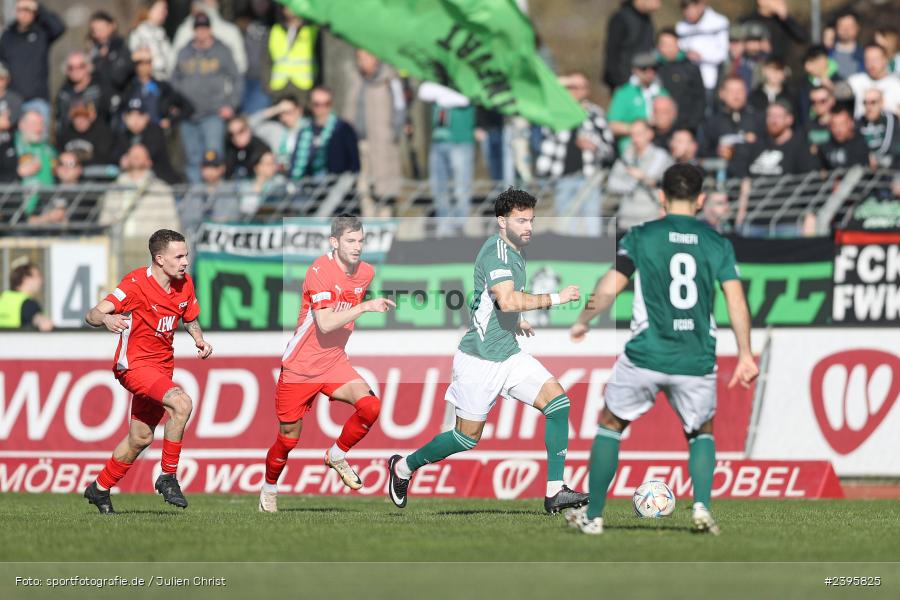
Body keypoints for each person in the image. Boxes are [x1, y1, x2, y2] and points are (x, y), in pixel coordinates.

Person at [566, 163, 758, 535]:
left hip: (646, 354)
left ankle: (595, 517)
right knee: (701, 431)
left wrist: (583, 320)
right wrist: (746, 353)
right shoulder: (717, 242)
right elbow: (735, 299)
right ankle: (701, 508)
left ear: (661, 197)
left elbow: (611, 285)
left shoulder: (641, 235)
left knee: (611, 424)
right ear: (701, 199)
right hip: (695, 357)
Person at [387, 189, 590, 514]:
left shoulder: (515, 251)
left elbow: (499, 301)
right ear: (501, 221)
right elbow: (506, 299)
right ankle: (403, 468)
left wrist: (517, 320)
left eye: (531, 220)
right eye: (520, 220)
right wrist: (556, 298)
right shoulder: (496, 252)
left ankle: (555, 491)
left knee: (558, 403)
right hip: (479, 360)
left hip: (508, 354)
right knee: (466, 438)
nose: (528, 226)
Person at [259, 215, 392, 512]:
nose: (357, 247)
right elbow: (325, 322)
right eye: (350, 241)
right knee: (288, 440)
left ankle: (336, 454)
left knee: (371, 406)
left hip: (333, 363)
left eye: (360, 241)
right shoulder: (319, 270)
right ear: (334, 242)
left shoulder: (366, 272)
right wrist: (365, 306)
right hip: (300, 367)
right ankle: (269, 488)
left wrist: (362, 305)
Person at [82, 229, 213, 514]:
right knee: (182, 403)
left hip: (162, 368)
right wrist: (105, 318)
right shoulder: (135, 284)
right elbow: (91, 314)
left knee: (140, 438)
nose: (185, 262)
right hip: (135, 366)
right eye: (179, 256)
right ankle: (167, 476)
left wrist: (198, 338)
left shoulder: (184, 284)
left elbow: (189, 317)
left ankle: (99, 488)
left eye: (186, 255)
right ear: (159, 258)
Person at [535, 72, 615, 236]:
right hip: (564, 177)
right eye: (572, 87)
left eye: (582, 87)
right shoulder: (554, 113)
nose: (577, 91)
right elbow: (542, 91)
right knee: (565, 226)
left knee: (592, 226)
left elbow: (609, 148)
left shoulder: (595, 114)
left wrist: (594, 146)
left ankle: (593, 259)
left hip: (589, 177)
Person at [172, 12, 243, 183]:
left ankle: (216, 200)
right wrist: (175, 104)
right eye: (198, 28)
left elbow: (237, 78)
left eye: (204, 28)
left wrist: (231, 105)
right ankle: (197, 201)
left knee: (213, 158)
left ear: (210, 29)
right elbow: (174, 79)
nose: (201, 32)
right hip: (187, 115)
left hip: (213, 114)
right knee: (192, 159)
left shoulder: (222, 50)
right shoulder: (185, 51)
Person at [730, 101, 818, 227]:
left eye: (778, 116)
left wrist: (809, 218)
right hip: (754, 222)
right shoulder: (757, 146)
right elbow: (745, 181)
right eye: (770, 116)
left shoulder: (800, 148)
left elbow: (809, 186)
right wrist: (741, 214)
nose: (773, 120)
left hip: (787, 223)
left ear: (789, 119)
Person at [342, 49, 405, 215]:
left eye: (364, 58)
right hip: (359, 142)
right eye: (359, 58)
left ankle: (384, 223)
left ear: (375, 58)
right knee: (362, 186)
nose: (360, 62)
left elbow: (400, 106)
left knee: (384, 186)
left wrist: (394, 132)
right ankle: (367, 223)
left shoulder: (389, 78)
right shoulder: (356, 79)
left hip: (382, 141)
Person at [99, 145, 182, 270]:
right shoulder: (115, 188)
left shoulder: (161, 189)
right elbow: (104, 221)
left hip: (149, 246)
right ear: (126, 160)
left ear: (149, 161)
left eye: (140, 154)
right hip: (120, 245)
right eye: (132, 154)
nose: (136, 156)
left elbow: (172, 225)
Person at [418, 82, 474, 237]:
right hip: (438, 142)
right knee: (438, 188)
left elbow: (465, 99)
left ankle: (459, 227)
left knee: (461, 188)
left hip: (460, 140)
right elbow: (424, 91)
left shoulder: (465, 77)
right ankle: (444, 227)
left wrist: (441, 93)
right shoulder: (435, 76)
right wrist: (446, 92)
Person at [607, 119, 674, 230]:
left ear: (649, 134)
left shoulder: (660, 156)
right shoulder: (626, 157)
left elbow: (663, 183)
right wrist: (628, 184)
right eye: (632, 134)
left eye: (639, 134)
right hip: (626, 220)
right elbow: (612, 182)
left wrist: (643, 177)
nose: (635, 138)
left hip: (651, 219)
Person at [0, 0, 65, 109]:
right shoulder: (7, 36)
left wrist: (38, 6)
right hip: (12, 100)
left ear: (34, 13)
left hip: (37, 100)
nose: (24, 14)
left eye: (28, 10)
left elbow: (59, 28)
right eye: (21, 10)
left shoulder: (41, 33)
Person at [287, 86, 359, 179]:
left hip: (336, 186)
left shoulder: (343, 129)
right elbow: (295, 162)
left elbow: (354, 164)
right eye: (317, 104)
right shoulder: (304, 130)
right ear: (310, 105)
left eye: (326, 104)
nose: (322, 108)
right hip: (306, 186)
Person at [608, 51, 669, 152]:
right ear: (635, 70)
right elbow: (613, 126)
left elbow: (669, 120)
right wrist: (639, 129)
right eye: (644, 68)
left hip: (659, 145)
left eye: (654, 68)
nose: (650, 72)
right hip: (631, 146)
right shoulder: (623, 93)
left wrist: (660, 123)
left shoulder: (662, 92)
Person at [112, 97, 181, 184]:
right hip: (132, 183)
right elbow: (115, 155)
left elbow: (145, 155)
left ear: (147, 117)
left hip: (159, 182)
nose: (135, 120)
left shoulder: (155, 131)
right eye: (131, 115)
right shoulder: (123, 135)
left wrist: (130, 158)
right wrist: (121, 159)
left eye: (139, 115)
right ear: (124, 118)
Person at [122, 47, 193, 131]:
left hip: (157, 134)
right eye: (140, 63)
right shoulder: (128, 87)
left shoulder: (162, 87)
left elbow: (188, 107)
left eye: (147, 62)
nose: (144, 66)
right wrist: (126, 120)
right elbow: (120, 111)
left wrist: (170, 121)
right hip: (132, 135)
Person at [172, 0, 247, 75]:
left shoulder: (230, 31)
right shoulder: (185, 30)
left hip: (220, 84)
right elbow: (174, 65)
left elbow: (240, 65)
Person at [267, 5, 321, 105]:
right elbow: (266, 60)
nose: (291, 9)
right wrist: (267, 85)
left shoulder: (311, 30)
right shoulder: (275, 30)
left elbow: (320, 59)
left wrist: (317, 85)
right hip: (279, 86)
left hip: (304, 86)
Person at [655, 28, 705, 132]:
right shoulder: (652, 69)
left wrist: (691, 125)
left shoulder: (690, 68)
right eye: (664, 44)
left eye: (671, 44)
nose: (668, 48)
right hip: (658, 128)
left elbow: (700, 98)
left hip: (684, 126)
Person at [676, 0, 730, 96]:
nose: (687, 11)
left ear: (701, 4)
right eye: (684, 7)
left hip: (711, 81)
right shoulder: (680, 27)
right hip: (688, 80)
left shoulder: (719, 22)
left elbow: (723, 54)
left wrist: (701, 56)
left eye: (690, 6)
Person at [701, 76, 762, 159]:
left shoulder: (757, 119)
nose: (736, 95)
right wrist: (718, 152)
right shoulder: (713, 122)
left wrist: (756, 143)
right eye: (732, 91)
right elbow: (703, 151)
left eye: (740, 91)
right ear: (722, 94)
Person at [603, 0, 659, 91]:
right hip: (624, 84)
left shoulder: (647, 19)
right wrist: (620, 83)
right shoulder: (621, 18)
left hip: (644, 83)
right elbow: (612, 54)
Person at [55, 52, 112, 139]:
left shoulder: (101, 89)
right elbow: (61, 123)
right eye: (71, 68)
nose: (75, 70)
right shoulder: (63, 94)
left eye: (80, 66)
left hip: (99, 139)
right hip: (71, 140)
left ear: (88, 67)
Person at [740, 0, 807, 64]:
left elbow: (802, 37)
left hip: (780, 69)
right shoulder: (747, 22)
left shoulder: (784, 22)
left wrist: (786, 17)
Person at [248, 96, 304, 170]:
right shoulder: (274, 129)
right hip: (278, 172)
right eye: (281, 114)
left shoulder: (308, 127)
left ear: (299, 110)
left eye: (288, 112)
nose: (284, 117)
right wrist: (276, 109)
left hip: (302, 170)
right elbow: (247, 125)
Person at [87, 10, 134, 96]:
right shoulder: (94, 52)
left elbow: (119, 78)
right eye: (94, 31)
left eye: (101, 29)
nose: (97, 34)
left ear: (112, 26)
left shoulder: (122, 48)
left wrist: (106, 60)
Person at [848, 44, 900, 118]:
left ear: (885, 60)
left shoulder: (896, 85)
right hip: (860, 127)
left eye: (875, 59)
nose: (871, 64)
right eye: (867, 59)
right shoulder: (855, 81)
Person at [56, 102, 114, 167]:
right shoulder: (65, 133)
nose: (80, 120)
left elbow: (104, 158)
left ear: (92, 117)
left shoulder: (102, 132)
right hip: (69, 169)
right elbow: (58, 152)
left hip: (93, 171)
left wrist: (77, 162)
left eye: (84, 116)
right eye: (76, 117)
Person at [129, 0, 174, 81]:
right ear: (150, 10)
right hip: (152, 83)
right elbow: (134, 58)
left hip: (165, 82)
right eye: (162, 9)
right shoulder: (140, 33)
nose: (166, 13)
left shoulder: (160, 32)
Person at [0, 262, 53, 331]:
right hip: (17, 341)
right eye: (38, 276)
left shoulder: (2, 298)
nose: (41, 281)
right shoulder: (28, 303)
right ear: (26, 279)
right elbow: (37, 319)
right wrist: (43, 321)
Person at [817, 105, 871, 170]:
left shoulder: (862, 144)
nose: (838, 130)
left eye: (842, 124)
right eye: (834, 125)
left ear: (851, 123)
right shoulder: (825, 145)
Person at [858, 88, 899, 169]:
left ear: (882, 103)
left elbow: (889, 144)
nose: (868, 107)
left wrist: (873, 156)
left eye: (873, 102)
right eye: (865, 103)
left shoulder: (890, 119)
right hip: (866, 167)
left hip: (890, 166)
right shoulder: (859, 122)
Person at [225, 115, 270, 180]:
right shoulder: (230, 147)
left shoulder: (262, 149)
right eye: (231, 134)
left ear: (248, 129)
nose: (236, 137)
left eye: (240, 131)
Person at [826, 10, 864, 80]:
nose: (846, 29)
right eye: (842, 26)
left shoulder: (865, 55)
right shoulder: (826, 54)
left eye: (850, 26)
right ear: (836, 28)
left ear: (858, 27)